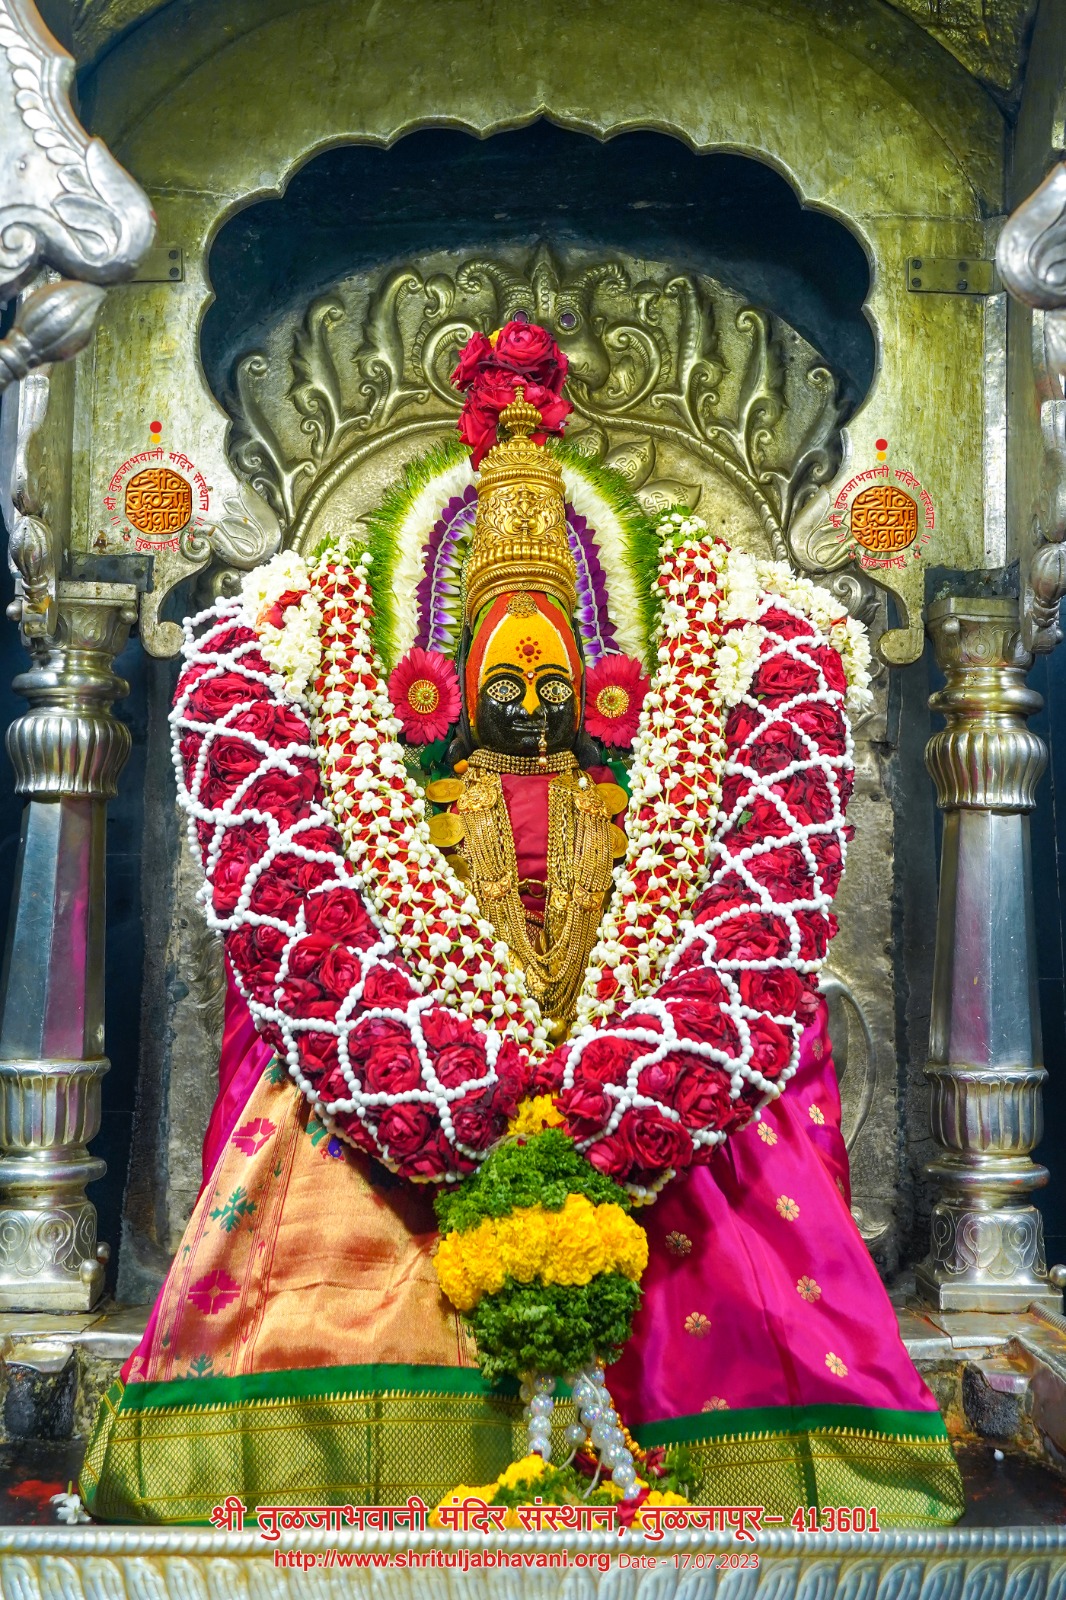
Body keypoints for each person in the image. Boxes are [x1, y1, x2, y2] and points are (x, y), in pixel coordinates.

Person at [81, 330, 962, 1527]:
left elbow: (743, 911)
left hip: (638, 1045)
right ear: (438, 685)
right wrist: (436, 1046)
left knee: (734, 1198)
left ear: (611, 688)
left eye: (558, 679)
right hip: (414, 1047)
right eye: (506, 674)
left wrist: (626, 1053)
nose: (533, 700)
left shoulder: (639, 778)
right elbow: (317, 909)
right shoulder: (417, 782)